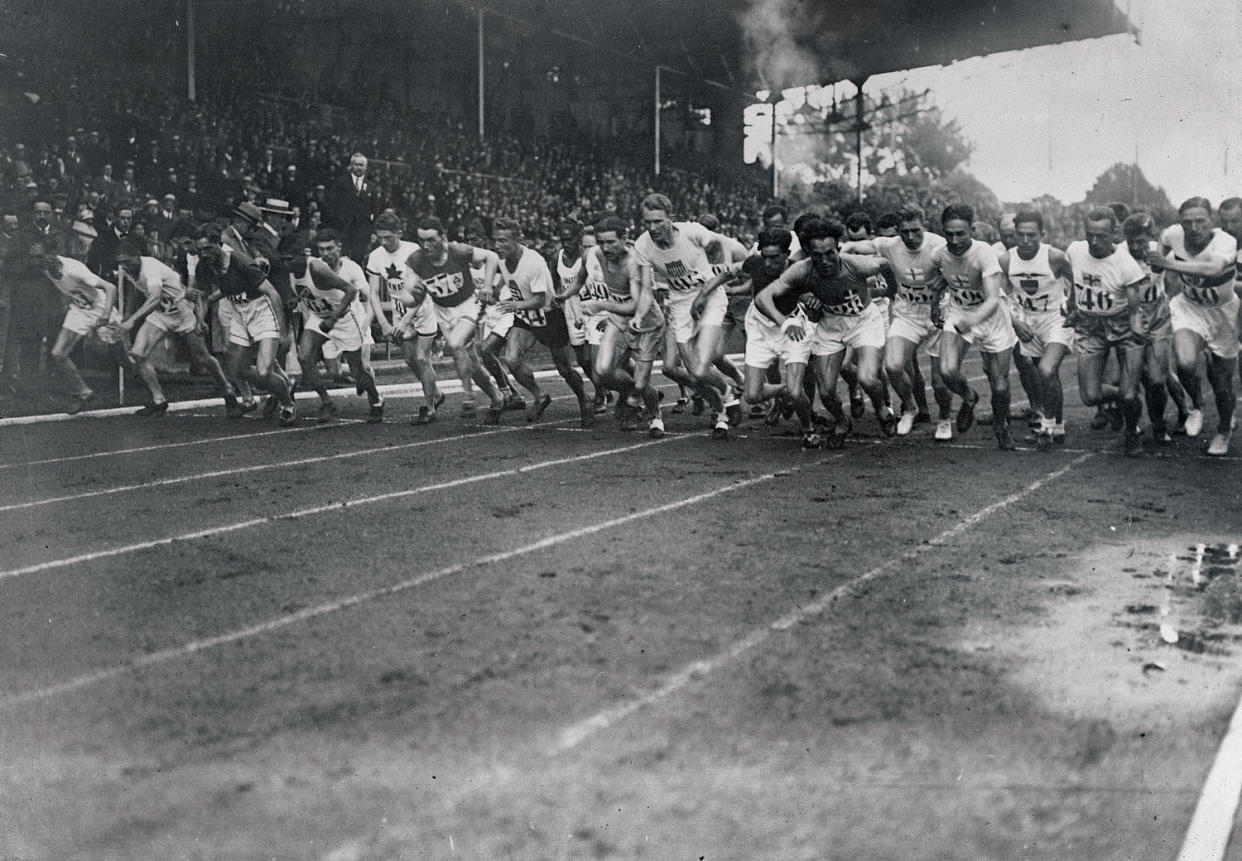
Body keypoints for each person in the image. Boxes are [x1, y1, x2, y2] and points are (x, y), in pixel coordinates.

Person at [755, 218, 899, 448]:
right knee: (827, 391)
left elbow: (884, 264)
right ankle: (842, 421)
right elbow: (763, 297)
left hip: (863, 321)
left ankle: (882, 408)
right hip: (830, 323)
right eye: (817, 255)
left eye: (829, 253)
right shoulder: (801, 270)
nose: (824, 260)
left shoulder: (858, 265)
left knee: (867, 377)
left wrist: (891, 290)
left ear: (838, 249)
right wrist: (784, 322)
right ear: (808, 253)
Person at [635, 193, 747, 438]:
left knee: (701, 365)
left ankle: (727, 399)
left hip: (709, 296)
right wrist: (639, 315)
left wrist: (724, 269)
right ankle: (727, 392)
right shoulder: (642, 245)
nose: (652, 228)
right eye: (647, 222)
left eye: (658, 221)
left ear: (670, 219)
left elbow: (725, 244)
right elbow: (645, 289)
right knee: (694, 372)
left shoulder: (691, 232)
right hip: (680, 303)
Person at [843, 204, 950, 437]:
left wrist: (942, 286)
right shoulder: (890, 245)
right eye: (904, 231)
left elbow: (960, 270)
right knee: (893, 366)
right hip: (907, 313)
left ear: (925, 227)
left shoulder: (939, 246)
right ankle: (910, 408)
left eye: (915, 230)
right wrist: (842, 249)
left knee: (940, 381)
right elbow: (861, 244)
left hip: (938, 314)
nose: (910, 237)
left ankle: (945, 419)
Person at [1149, 196, 1239, 456]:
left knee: (1222, 384)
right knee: (1185, 361)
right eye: (1187, 222)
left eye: (1201, 221)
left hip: (1223, 314)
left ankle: (1223, 430)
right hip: (1189, 308)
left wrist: (1169, 265)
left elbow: (1213, 268)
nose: (1194, 227)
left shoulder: (1225, 241)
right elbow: (1160, 245)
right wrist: (1156, 276)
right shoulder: (1174, 234)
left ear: (1212, 221)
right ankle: (1196, 406)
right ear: (1181, 223)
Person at [111, 241, 241, 416]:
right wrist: (127, 315)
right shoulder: (126, 270)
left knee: (202, 356)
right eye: (121, 262)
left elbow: (155, 297)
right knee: (138, 353)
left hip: (182, 310)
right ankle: (159, 400)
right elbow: (134, 289)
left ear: (137, 256)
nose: (124, 265)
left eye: (127, 261)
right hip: (161, 314)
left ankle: (228, 390)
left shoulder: (151, 267)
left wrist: (132, 321)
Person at [929, 203, 1019, 450]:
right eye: (949, 233)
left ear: (971, 230)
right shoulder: (938, 254)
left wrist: (972, 319)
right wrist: (936, 300)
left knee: (999, 385)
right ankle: (969, 397)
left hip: (991, 318)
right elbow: (936, 279)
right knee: (947, 371)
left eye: (961, 233)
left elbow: (992, 299)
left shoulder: (984, 254)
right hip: (959, 313)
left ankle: (1001, 424)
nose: (955, 240)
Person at [492, 217, 593, 427]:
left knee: (564, 369)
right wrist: (494, 289)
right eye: (496, 241)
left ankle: (584, 399)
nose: (498, 246)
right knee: (510, 359)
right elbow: (508, 278)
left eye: (503, 241)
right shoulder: (501, 258)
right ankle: (540, 396)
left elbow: (539, 298)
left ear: (517, 240)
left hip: (548, 317)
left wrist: (515, 305)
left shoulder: (533, 261)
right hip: (526, 318)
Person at [1063, 207, 1149, 456]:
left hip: (1122, 325)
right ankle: (1124, 398)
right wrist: (1073, 307)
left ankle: (1132, 432)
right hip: (1091, 327)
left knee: (1130, 393)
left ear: (1115, 233)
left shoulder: (1126, 264)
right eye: (1090, 234)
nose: (1094, 241)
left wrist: (1135, 325)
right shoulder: (1075, 250)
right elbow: (1075, 282)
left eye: (1101, 236)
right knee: (1090, 396)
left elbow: (1134, 307)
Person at [405, 215, 507, 422]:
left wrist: (487, 286)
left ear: (442, 238)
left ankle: (469, 396)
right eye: (421, 240)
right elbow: (407, 297)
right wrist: (411, 295)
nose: (426, 245)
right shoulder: (415, 260)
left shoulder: (457, 250)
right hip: (443, 311)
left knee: (454, 344)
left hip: (468, 304)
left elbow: (491, 257)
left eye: (431, 239)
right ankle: (497, 397)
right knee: (473, 364)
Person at [195, 225, 298, 427]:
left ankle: (288, 404)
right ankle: (285, 383)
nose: (204, 254)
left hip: (261, 310)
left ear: (219, 244)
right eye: (200, 250)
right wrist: (200, 318)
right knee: (238, 369)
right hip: (239, 312)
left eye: (207, 248)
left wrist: (284, 333)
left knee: (263, 372)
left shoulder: (240, 262)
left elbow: (273, 294)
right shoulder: (204, 266)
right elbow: (203, 296)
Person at [578, 215, 666, 437]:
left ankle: (654, 414)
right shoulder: (594, 253)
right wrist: (569, 297)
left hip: (645, 323)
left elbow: (636, 305)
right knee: (602, 371)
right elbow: (580, 278)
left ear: (624, 238)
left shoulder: (635, 262)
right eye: (601, 242)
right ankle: (631, 394)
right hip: (618, 318)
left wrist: (599, 305)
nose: (605, 247)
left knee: (638, 377)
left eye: (611, 242)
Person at [997, 209, 1075, 449]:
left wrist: (1073, 308)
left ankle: (1047, 425)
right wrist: (1015, 322)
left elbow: (1077, 283)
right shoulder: (1006, 260)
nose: (1026, 241)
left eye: (1032, 235)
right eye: (1020, 235)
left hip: (1055, 320)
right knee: (1047, 376)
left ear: (1042, 234)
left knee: (1046, 368)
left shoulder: (1055, 257)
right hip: (1029, 323)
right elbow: (1000, 296)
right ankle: (1059, 425)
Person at [737, 226, 820, 447]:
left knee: (796, 391)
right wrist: (706, 293)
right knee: (752, 396)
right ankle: (783, 391)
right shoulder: (754, 263)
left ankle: (807, 428)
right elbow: (734, 274)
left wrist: (812, 299)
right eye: (764, 256)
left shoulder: (799, 271)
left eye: (774, 257)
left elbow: (811, 294)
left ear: (786, 254)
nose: (767, 263)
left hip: (793, 327)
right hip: (760, 326)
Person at [291, 229, 385, 424]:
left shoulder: (336, 268)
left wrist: (338, 318)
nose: (326, 254)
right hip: (319, 317)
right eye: (322, 249)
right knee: (304, 357)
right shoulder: (295, 270)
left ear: (339, 247)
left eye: (330, 249)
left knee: (358, 371)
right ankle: (327, 403)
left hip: (344, 319)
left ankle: (376, 398)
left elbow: (355, 292)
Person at [25, 237, 119, 413]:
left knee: (124, 358)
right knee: (58, 353)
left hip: (101, 307)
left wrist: (106, 315)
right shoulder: (45, 268)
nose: (34, 261)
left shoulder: (74, 269)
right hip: (79, 310)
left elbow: (111, 288)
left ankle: (149, 386)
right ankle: (84, 391)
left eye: (38, 256)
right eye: (32, 257)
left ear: (51, 254)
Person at [365, 213, 441, 423]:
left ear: (399, 233)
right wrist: (384, 322)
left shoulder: (414, 252)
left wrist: (405, 320)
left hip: (421, 309)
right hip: (399, 310)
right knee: (409, 359)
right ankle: (436, 393)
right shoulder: (376, 256)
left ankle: (430, 408)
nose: (384, 242)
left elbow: (422, 289)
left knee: (421, 358)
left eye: (388, 237)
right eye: (380, 237)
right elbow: (373, 292)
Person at [1122, 211, 1183, 443]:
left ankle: (1158, 424)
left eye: (1141, 241)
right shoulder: (1119, 254)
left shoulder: (1160, 252)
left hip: (1157, 315)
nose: (1137, 247)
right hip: (1129, 316)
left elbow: (1173, 281)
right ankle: (1131, 425)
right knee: (1131, 380)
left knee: (1157, 380)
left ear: (1151, 236)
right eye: (1132, 242)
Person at [325, 153, 377, 264]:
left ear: (366, 167)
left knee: (358, 259)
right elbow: (332, 204)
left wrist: (372, 231)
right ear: (351, 165)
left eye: (361, 165)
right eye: (356, 164)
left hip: (361, 231)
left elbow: (375, 210)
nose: (359, 167)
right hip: (343, 228)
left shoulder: (371, 186)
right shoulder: (340, 182)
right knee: (340, 258)